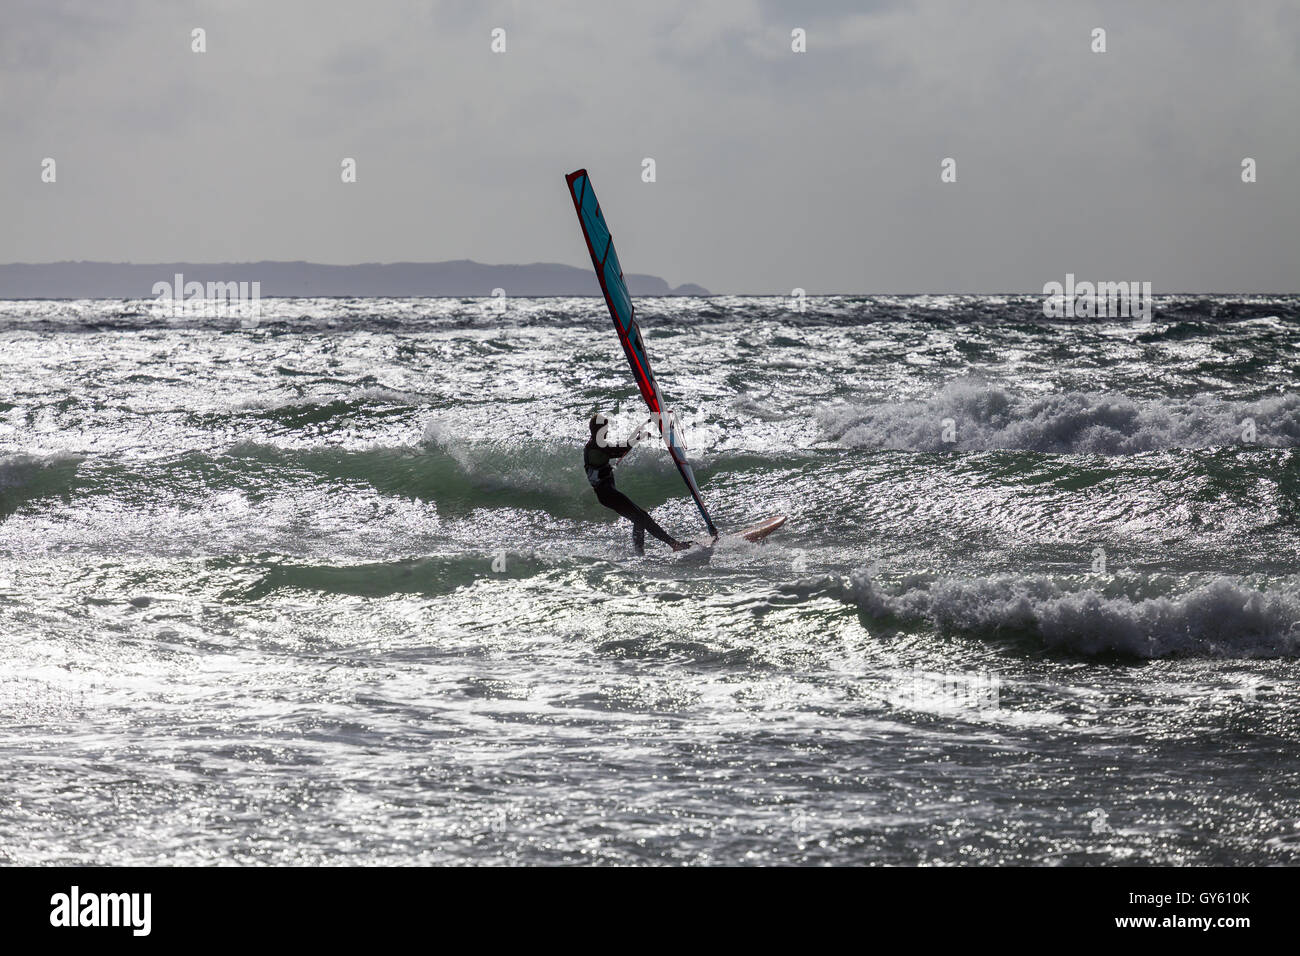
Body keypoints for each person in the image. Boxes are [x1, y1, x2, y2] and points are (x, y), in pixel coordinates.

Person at [584, 413, 692, 554]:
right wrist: (638, 438)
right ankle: (673, 544)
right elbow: (619, 450)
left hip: (607, 494)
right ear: (599, 430)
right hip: (607, 494)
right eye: (605, 429)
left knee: (640, 517)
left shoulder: (595, 445)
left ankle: (640, 552)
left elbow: (619, 449)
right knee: (641, 517)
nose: (607, 432)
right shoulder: (595, 446)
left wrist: (636, 435)